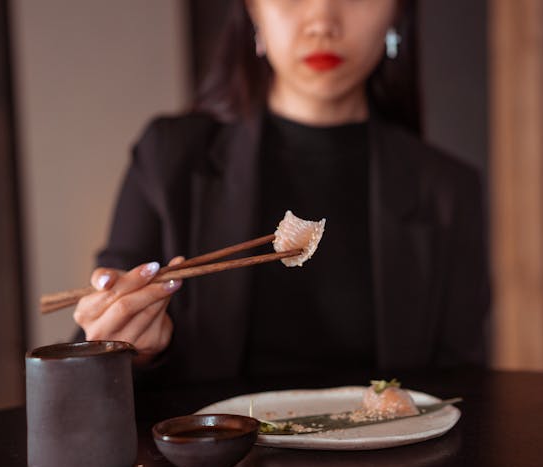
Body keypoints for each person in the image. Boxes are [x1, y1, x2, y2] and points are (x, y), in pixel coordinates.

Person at [74, 0, 489, 383]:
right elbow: (89, 358)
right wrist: (133, 346)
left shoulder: (448, 191)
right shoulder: (170, 159)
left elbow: (461, 394)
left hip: (389, 461)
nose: (323, 22)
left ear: (397, 12)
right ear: (252, 9)